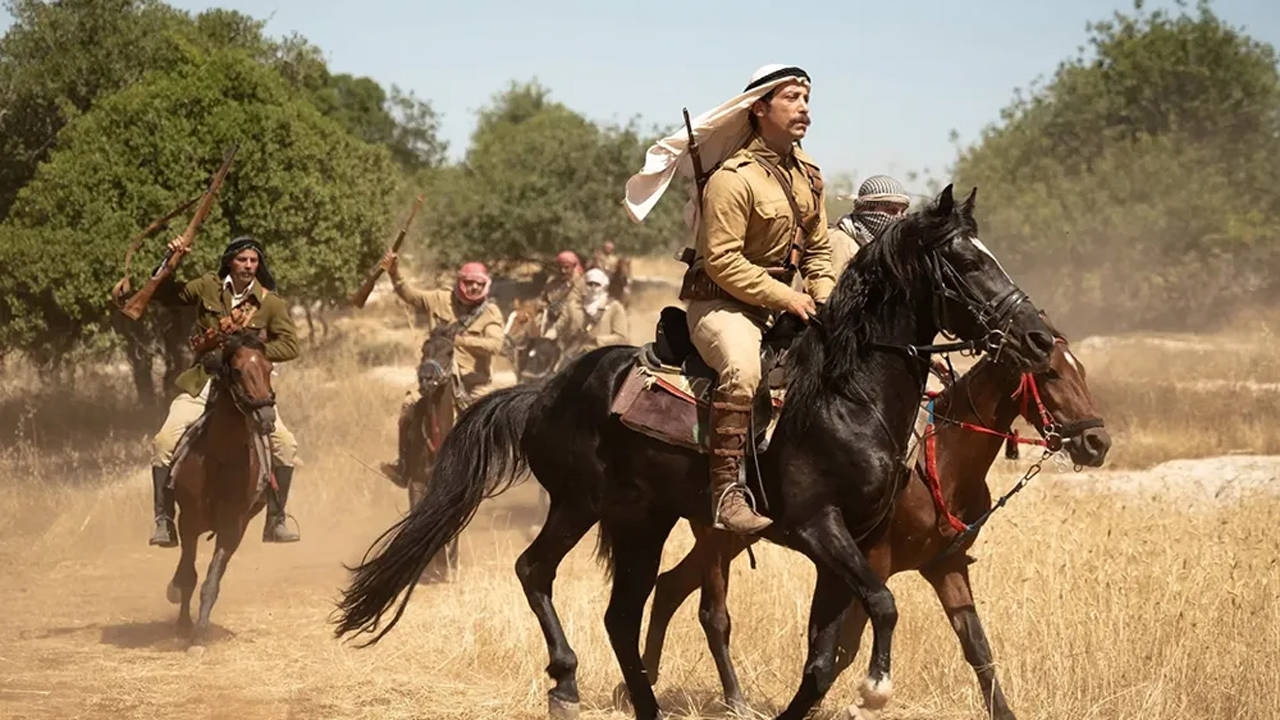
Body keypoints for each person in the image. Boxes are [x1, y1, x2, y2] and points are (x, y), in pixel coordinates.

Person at [677, 65, 836, 534]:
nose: (804, 106)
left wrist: (824, 300)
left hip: (786, 303)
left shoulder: (809, 174)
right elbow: (721, 260)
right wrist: (787, 298)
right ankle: (727, 493)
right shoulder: (733, 177)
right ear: (760, 108)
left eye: (807, 97)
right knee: (743, 371)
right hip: (722, 305)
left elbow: (820, 249)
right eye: (791, 97)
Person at [148, 236, 301, 547]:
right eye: (243, 260)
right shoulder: (208, 286)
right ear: (231, 261)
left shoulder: (270, 302)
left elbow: (289, 345)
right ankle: (164, 519)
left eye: (253, 261)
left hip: (247, 388)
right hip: (205, 380)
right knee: (164, 440)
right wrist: (170, 258)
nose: (248, 266)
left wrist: (251, 354)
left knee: (285, 444)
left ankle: (276, 518)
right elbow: (167, 293)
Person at [378, 251, 505, 483]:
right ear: (460, 282)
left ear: (485, 285)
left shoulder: (490, 312)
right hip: (435, 377)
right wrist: (395, 273)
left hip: (472, 382)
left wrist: (460, 341)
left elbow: (495, 344)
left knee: (487, 419)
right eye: (469, 283)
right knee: (408, 406)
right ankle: (403, 465)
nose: (474, 287)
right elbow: (410, 295)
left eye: (479, 284)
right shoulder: (439, 299)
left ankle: (486, 472)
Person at [829, 174, 911, 275]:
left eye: (902, 211)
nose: (899, 217)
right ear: (866, 210)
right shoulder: (840, 241)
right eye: (891, 211)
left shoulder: (889, 251)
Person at [550, 267, 630, 362]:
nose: (593, 288)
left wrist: (597, 340)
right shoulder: (573, 306)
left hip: (602, 358)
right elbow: (559, 328)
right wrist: (545, 339)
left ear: (604, 286)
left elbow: (621, 337)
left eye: (597, 284)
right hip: (573, 356)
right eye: (590, 284)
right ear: (584, 285)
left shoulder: (614, 307)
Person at [540, 250, 585, 330]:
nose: (563, 271)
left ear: (574, 266)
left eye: (567, 267)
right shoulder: (551, 282)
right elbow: (543, 299)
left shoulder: (581, 282)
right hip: (550, 320)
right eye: (560, 267)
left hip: (571, 323)